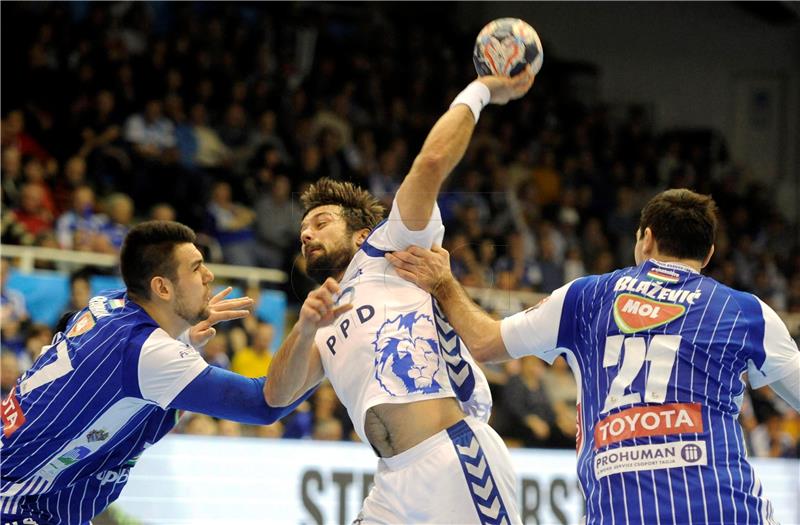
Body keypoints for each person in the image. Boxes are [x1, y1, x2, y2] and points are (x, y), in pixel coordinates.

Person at [386, 188, 800, 524]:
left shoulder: (586, 297)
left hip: (619, 513)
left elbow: (484, 342)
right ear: (708, 255)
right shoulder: (746, 312)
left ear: (646, 238)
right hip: (728, 512)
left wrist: (444, 284)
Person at [264, 70, 535, 524]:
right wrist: (304, 326)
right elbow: (277, 395)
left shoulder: (391, 249)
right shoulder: (323, 314)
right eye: (302, 229)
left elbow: (430, 164)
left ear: (362, 233)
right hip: (390, 482)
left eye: (322, 221)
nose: (307, 233)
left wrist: (483, 90)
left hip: (454, 457)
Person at [0, 221, 313, 523]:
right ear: (162, 287)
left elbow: (87, 346)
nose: (208, 275)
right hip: (16, 502)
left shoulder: (108, 303)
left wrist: (183, 335)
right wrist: (326, 344)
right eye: (196, 267)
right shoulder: (150, 352)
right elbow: (263, 404)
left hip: (37, 494)